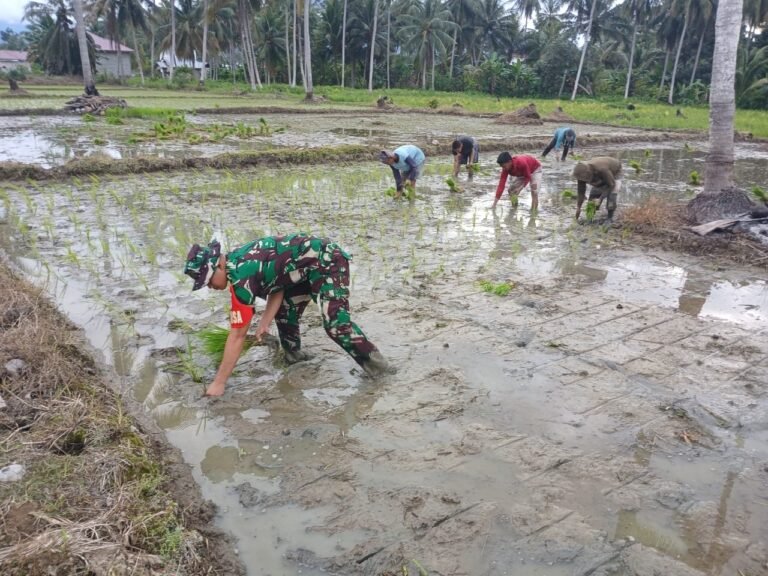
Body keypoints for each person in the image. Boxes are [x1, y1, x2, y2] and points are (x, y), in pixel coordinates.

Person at [184, 234, 392, 397]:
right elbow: (278, 284)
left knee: (336, 326)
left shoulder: (241, 277)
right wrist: (264, 322)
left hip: (327, 261)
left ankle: (381, 370)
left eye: (209, 282)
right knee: (284, 315)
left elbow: (237, 335)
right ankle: (296, 359)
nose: (210, 287)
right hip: (301, 272)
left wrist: (219, 383)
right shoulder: (235, 262)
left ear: (218, 266)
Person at [572, 156, 623, 221]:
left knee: (612, 195)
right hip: (599, 175)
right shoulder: (581, 173)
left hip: (615, 172)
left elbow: (611, 185)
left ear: (588, 174)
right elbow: (581, 192)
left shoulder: (602, 169)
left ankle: (610, 217)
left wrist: (600, 198)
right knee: (593, 197)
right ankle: (590, 218)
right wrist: (578, 207)